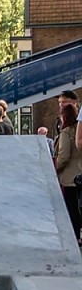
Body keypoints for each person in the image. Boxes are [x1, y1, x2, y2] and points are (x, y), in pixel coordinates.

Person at [54, 103, 82, 244]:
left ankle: (75, 237)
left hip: (70, 177)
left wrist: (54, 169)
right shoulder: (79, 130)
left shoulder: (66, 133)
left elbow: (63, 156)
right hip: (80, 172)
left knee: (72, 210)